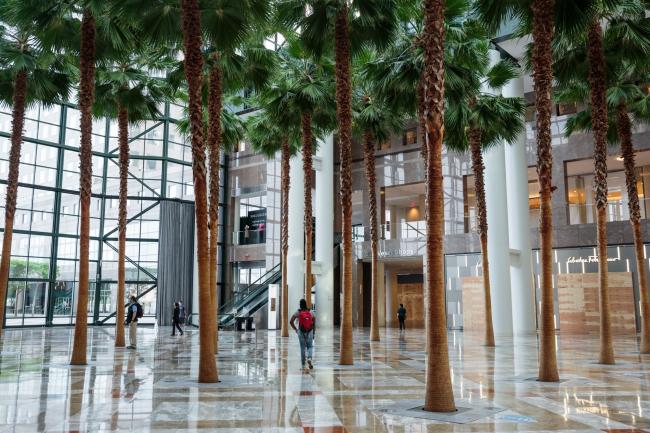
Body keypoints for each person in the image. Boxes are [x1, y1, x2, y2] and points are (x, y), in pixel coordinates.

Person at [290, 299, 315, 370]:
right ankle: (309, 358)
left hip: (301, 331)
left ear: (300, 305)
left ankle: (303, 364)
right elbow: (314, 321)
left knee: (302, 348)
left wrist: (296, 329)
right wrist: (313, 332)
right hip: (309, 331)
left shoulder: (298, 312)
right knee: (310, 346)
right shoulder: (310, 312)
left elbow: (291, 321)